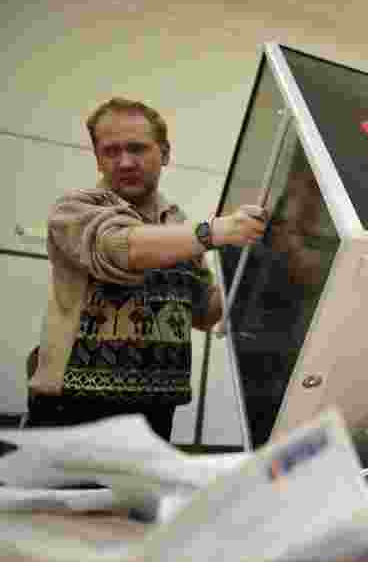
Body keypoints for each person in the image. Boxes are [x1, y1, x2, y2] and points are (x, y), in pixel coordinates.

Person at [27, 97, 266, 441]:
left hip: (154, 413)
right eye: (111, 151)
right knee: (63, 499)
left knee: (136, 500)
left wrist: (255, 270)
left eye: (137, 148)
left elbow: (202, 313)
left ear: (165, 153)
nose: (125, 162)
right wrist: (214, 232)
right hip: (73, 409)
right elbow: (121, 249)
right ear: (98, 158)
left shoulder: (178, 224)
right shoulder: (75, 209)